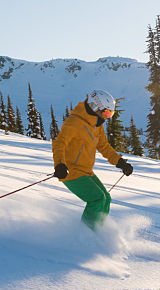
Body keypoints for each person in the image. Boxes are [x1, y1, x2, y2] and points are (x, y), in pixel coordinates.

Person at [52, 89, 133, 230]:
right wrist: (59, 165)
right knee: (97, 199)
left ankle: (97, 230)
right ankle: (85, 235)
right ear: (96, 106)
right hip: (71, 172)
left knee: (106, 198)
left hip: (86, 171)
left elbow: (104, 146)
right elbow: (60, 143)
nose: (108, 117)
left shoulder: (96, 125)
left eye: (111, 114)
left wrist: (120, 162)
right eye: (107, 112)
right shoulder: (74, 123)